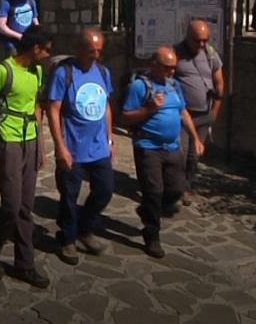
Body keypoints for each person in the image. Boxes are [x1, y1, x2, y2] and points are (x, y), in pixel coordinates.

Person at [0, 26, 52, 288]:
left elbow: (36, 107)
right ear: (36, 49)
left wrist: (41, 146)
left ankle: (25, 264)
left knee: (25, 208)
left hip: (30, 140)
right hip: (8, 141)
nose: (48, 55)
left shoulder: (37, 71)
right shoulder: (3, 71)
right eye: (47, 50)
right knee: (11, 205)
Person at [121, 47, 204, 259]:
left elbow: (183, 112)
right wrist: (149, 109)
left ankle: (149, 210)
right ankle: (152, 235)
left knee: (177, 189)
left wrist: (195, 138)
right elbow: (126, 116)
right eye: (167, 68)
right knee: (153, 192)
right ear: (154, 65)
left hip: (172, 148)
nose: (172, 72)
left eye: (174, 67)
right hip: (148, 147)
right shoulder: (139, 87)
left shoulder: (174, 85)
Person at [47, 28, 114, 265]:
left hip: (98, 147)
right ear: (79, 49)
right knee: (69, 196)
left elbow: (106, 106)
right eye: (91, 51)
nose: (95, 56)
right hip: (73, 148)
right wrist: (60, 146)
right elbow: (53, 109)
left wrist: (109, 139)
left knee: (105, 189)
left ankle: (85, 228)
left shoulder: (103, 72)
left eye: (99, 51)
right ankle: (67, 238)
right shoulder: (64, 73)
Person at [173, 20, 224, 204]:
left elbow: (219, 81)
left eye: (205, 40)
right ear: (188, 37)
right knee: (181, 152)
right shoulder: (176, 53)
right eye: (197, 40)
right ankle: (176, 189)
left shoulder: (210, 54)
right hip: (182, 115)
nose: (201, 44)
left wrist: (215, 111)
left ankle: (186, 186)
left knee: (194, 156)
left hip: (203, 114)